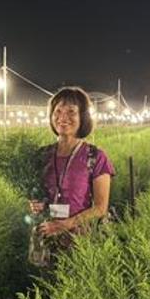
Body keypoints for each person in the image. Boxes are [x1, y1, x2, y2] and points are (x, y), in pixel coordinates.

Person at [27, 87, 114, 261]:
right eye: (57, 111)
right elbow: (35, 194)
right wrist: (34, 204)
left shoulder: (95, 157)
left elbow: (100, 207)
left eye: (71, 112)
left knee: (75, 276)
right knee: (45, 277)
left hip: (80, 242)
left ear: (83, 117)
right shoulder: (41, 155)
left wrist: (66, 224)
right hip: (46, 237)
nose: (62, 117)